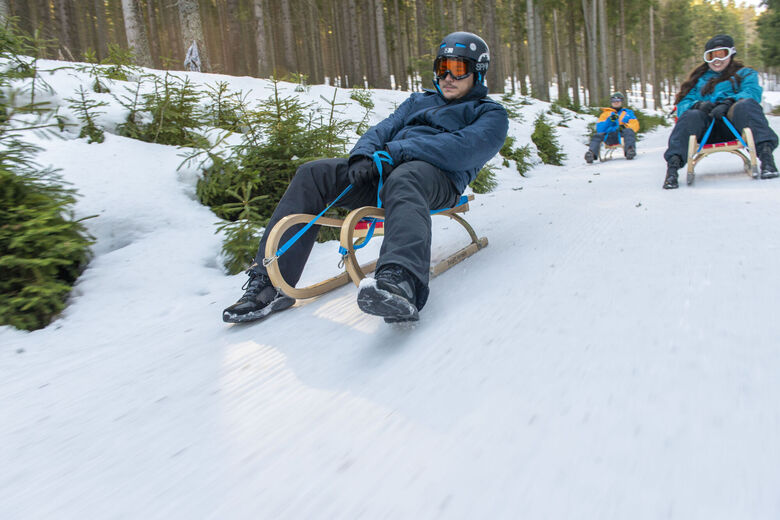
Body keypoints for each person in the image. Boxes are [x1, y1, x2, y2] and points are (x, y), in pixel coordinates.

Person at [222, 31, 509, 324]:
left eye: (458, 68)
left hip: (434, 180)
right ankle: (269, 282)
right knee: (314, 174)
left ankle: (401, 279)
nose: (448, 76)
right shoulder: (417, 102)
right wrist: (362, 155)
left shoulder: (489, 115)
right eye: (441, 67)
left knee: (407, 176)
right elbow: (383, 129)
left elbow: (462, 150)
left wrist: (397, 151)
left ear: (478, 72)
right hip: (387, 171)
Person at [663, 34, 778, 189]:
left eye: (721, 54)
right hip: (706, 129)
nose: (716, 60)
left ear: (731, 53)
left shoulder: (745, 74)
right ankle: (673, 168)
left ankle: (767, 158)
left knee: (746, 105)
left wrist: (729, 102)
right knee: (690, 115)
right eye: (711, 56)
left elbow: (752, 92)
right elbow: (682, 105)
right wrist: (699, 105)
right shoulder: (699, 81)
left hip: (734, 126)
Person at [584, 92, 639, 163]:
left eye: (618, 101)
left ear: (621, 101)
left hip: (622, 134)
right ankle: (591, 154)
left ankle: (630, 150)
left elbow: (635, 125)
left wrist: (624, 126)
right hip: (609, 135)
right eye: (613, 101)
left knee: (629, 131)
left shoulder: (628, 113)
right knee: (597, 136)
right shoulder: (605, 114)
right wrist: (609, 120)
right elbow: (600, 128)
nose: (616, 103)